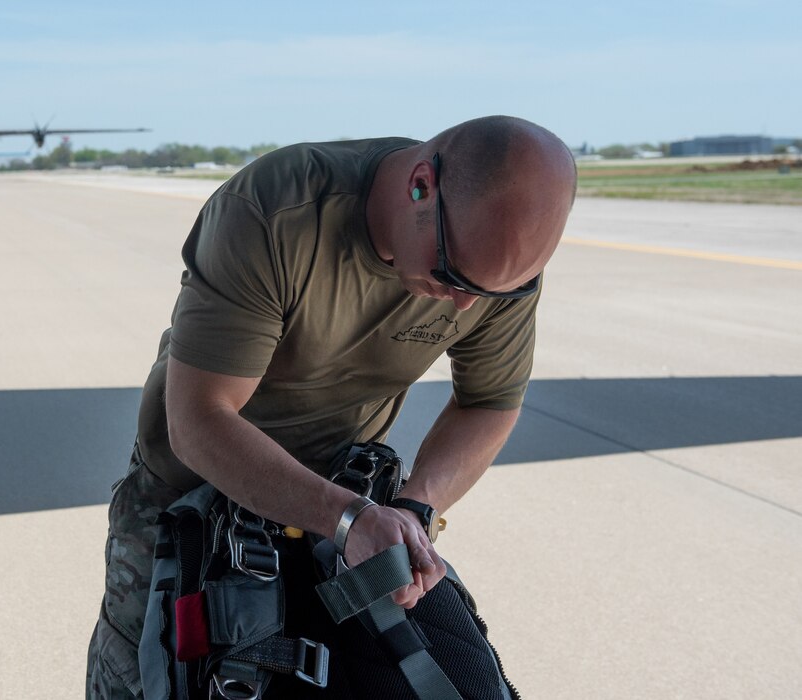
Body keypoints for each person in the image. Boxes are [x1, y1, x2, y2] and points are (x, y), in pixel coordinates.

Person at [87, 115, 577, 699]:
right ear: (421, 183)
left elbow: (490, 402)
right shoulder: (276, 212)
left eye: (496, 291)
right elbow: (199, 420)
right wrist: (347, 519)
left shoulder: (494, 269)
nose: (466, 305)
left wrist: (416, 509)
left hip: (345, 505)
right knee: (145, 679)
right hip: (189, 499)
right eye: (452, 276)